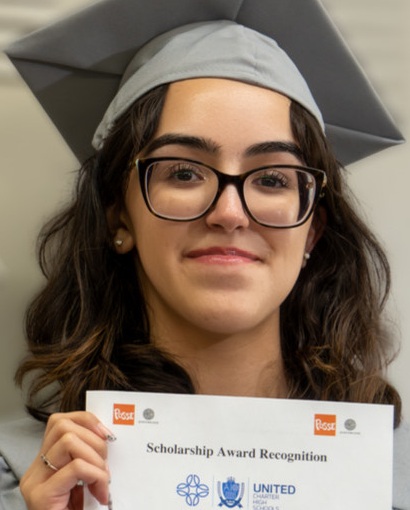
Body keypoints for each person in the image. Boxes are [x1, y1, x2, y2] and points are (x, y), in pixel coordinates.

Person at [1, 0, 409, 509]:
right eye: (184, 172)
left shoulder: (393, 476)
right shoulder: (25, 479)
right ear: (118, 218)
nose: (230, 212)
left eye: (273, 178)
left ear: (311, 231)